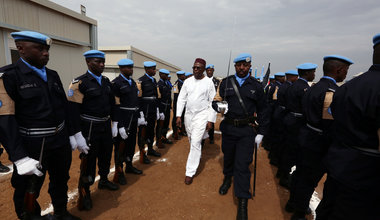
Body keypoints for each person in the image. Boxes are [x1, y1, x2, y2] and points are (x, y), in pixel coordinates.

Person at [0, 31, 79, 219]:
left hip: (59, 140)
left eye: (47, 49)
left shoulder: (52, 75)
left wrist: (73, 133)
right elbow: (5, 119)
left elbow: (63, 107)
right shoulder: (9, 76)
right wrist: (19, 158)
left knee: (61, 180)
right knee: (28, 188)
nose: (46, 53)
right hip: (33, 145)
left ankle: (61, 213)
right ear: (21, 49)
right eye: (40, 48)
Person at [316, 34, 380, 220]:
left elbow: (334, 117)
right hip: (367, 178)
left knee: (328, 211)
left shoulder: (347, 87)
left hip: (339, 166)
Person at [290, 55, 353, 220]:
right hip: (319, 142)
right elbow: (329, 123)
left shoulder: (313, 87)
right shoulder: (331, 92)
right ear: (338, 70)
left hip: (307, 136)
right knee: (309, 180)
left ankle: (294, 204)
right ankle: (298, 212)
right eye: (346, 70)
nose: (346, 74)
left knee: (302, 174)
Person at [213, 53, 269, 220]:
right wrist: (218, 106)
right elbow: (215, 100)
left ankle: (242, 202)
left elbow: (264, 110)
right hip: (229, 128)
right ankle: (227, 178)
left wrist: (261, 132)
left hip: (246, 130)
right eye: (239, 65)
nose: (242, 68)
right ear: (236, 66)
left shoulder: (257, 86)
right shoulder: (226, 82)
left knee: (243, 165)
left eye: (245, 65)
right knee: (228, 157)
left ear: (250, 66)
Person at [67, 49, 119, 211]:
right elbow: (72, 111)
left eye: (103, 62)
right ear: (88, 62)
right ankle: (86, 190)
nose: (102, 64)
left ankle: (103, 179)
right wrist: (75, 134)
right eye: (98, 61)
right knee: (89, 160)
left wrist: (115, 123)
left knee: (105, 154)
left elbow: (113, 104)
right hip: (88, 127)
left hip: (105, 125)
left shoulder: (106, 82)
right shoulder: (79, 83)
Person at [176, 58, 216, 185]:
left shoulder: (209, 83)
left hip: (202, 115)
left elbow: (212, 102)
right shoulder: (187, 82)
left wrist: (210, 120)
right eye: (194, 67)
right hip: (188, 116)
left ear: (203, 69)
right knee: (191, 139)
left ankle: (190, 172)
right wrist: (178, 116)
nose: (196, 70)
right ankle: (196, 155)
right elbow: (181, 99)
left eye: (198, 68)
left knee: (195, 141)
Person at [283, 63, 316, 212]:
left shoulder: (292, 86)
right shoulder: (303, 88)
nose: (314, 75)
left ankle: (284, 174)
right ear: (307, 73)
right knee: (293, 152)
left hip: (289, 118)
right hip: (297, 122)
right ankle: (285, 176)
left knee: (287, 148)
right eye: (313, 72)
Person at [111, 58, 144, 185]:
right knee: (120, 145)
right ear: (121, 69)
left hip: (133, 117)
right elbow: (115, 106)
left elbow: (136, 101)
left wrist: (140, 115)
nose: (131, 69)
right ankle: (119, 171)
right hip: (123, 119)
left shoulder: (133, 83)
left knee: (130, 144)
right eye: (128, 67)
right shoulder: (116, 84)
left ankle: (129, 165)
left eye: (131, 67)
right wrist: (119, 124)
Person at [272, 70, 298, 185]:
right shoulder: (287, 87)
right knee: (284, 143)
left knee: (279, 139)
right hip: (286, 116)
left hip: (280, 112)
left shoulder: (282, 87)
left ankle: (276, 160)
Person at [136, 61, 162, 164]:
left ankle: (150, 149)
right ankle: (142, 152)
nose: (155, 70)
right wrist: (140, 114)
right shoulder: (141, 81)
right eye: (153, 69)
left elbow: (155, 96)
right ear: (147, 70)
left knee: (151, 131)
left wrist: (157, 109)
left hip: (152, 110)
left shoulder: (154, 80)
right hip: (145, 111)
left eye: (155, 68)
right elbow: (138, 99)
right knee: (143, 133)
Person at [156, 69, 173, 147]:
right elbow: (158, 99)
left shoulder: (166, 84)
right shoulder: (159, 84)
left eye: (167, 75)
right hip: (162, 107)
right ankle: (158, 140)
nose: (167, 76)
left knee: (166, 123)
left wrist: (169, 106)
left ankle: (164, 137)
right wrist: (160, 111)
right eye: (165, 75)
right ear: (160, 75)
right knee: (160, 125)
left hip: (167, 106)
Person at [205, 64, 220, 144]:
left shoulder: (216, 81)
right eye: (208, 70)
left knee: (211, 120)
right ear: (206, 71)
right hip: (203, 104)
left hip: (212, 104)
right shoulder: (202, 80)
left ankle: (211, 137)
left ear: (213, 71)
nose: (209, 72)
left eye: (211, 70)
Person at [172, 71, 186, 140]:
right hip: (177, 104)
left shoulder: (183, 83)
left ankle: (181, 131)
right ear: (179, 76)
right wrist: (177, 105)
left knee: (182, 118)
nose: (184, 76)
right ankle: (175, 133)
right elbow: (176, 95)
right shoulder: (176, 84)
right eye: (183, 75)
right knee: (176, 118)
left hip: (183, 104)